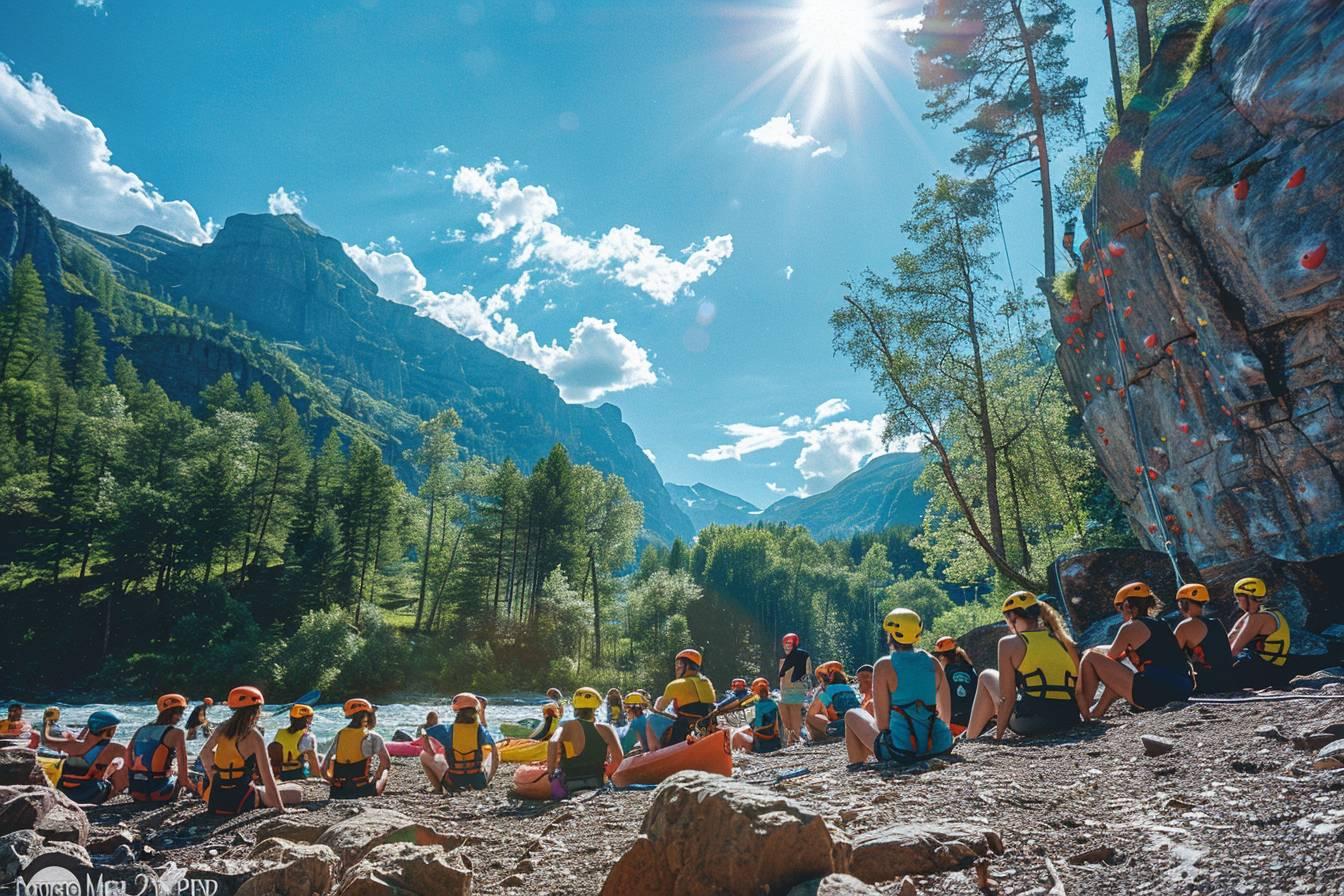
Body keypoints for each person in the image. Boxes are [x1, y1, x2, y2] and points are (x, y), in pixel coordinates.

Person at [964, 593, 1081, 740]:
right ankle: (970, 736)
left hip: (1031, 722)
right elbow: (1078, 687)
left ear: (1012, 617)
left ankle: (970, 738)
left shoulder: (1009, 643)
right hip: (1069, 718)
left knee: (986, 675)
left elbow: (1007, 697)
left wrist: (998, 735)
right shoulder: (1064, 640)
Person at [844, 608, 954, 765]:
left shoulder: (883, 665)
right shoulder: (933, 662)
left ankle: (856, 765)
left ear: (891, 636)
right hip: (939, 745)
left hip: (902, 750)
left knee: (852, 714)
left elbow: (882, 725)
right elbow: (946, 717)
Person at [1077, 582, 1194, 720]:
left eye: (1121, 608)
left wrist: (1092, 651)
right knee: (1116, 681)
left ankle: (1083, 711)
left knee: (1090, 658)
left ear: (1127, 606)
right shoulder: (1161, 624)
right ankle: (1095, 713)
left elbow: (1110, 658)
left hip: (1159, 691)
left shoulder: (1130, 627)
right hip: (1182, 689)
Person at [198, 687, 300, 815]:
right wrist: (281, 809)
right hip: (240, 800)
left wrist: (214, 779)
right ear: (257, 710)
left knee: (265, 788)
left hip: (216, 799)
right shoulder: (254, 735)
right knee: (296, 791)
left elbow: (204, 753)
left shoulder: (222, 728)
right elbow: (267, 776)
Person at [546, 687, 623, 799]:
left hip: (570, 784)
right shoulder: (607, 728)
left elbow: (553, 741)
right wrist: (606, 774)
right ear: (597, 707)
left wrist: (551, 772)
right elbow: (618, 758)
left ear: (575, 707)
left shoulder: (566, 725)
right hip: (597, 782)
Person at [420, 693, 497, 792]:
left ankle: (438, 788)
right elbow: (494, 753)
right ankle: (484, 782)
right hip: (479, 782)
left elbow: (425, 732)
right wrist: (489, 779)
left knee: (423, 755)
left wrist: (429, 747)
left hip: (454, 781)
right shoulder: (480, 730)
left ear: (457, 712)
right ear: (475, 711)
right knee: (491, 750)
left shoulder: (447, 729)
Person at [1227, 577, 1293, 690]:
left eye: (1238, 599)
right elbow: (1232, 635)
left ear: (1245, 598)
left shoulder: (1259, 618)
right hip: (1274, 670)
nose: (1238, 603)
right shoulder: (1263, 613)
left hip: (1265, 672)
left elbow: (1233, 650)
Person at [126, 694, 192, 803]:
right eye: (181, 713)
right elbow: (184, 780)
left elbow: (128, 761)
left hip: (136, 792)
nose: (181, 717)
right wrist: (195, 789)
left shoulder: (141, 730)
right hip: (159, 793)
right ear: (176, 713)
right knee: (190, 778)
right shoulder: (177, 733)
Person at [1173, 583, 1236, 694]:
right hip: (1230, 680)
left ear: (1184, 603)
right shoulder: (1216, 622)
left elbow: (1170, 653)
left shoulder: (1185, 625)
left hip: (1208, 684)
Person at [55, 710, 128, 804]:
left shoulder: (73, 744)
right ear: (110, 730)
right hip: (89, 793)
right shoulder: (116, 748)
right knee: (120, 766)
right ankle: (115, 796)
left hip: (63, 790)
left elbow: (83, 740)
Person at [324, 698, 391, 798]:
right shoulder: (373, 736)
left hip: (338, 792)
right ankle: (374, 791)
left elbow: (324, 766)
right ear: (367, 717)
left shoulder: (340, 734)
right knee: (385, 772)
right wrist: (376, 777)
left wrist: (331, 780)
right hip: (362, 791)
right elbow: (386, 762)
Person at [657, 648, 717, 745]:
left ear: (688, 666)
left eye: (679, 664)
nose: (676, 668)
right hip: (707, 728)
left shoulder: (675, 684)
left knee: (651, 719)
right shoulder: (706, 682)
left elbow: (659, 709)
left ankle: (652, 750)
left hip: (683, 731)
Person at [806, 661, 862, 740]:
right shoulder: (849, 688)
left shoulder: (828, 691)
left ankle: (829, 734)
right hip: (858, 723)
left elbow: (811, 714)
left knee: (810, 717)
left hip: (843, 727)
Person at [933, 637, 977, 734]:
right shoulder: (970, 669)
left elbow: (938, 704)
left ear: (942, 657)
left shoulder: (944, 675)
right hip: (974, 722)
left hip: (954, 724)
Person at [270, 704, 323, 782]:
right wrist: (319, 779)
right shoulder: (307, 737)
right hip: (299, 775)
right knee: (320, 758)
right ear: (308, 719)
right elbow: (313, 762)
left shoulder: (280, 734)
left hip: (282, 775)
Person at [778, 633, 813, 746]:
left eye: (789, 644)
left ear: (794, 643)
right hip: (785, 692)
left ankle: (795, 740)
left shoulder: (803, 655)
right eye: (785, 644)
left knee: (795, 715)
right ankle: (791, 740)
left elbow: (808, 673)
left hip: (798, 690)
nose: (787, 646)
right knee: (786, 719)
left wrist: (809, 689)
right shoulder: (783, 658)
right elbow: (782, 678)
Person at [731, 678, 782, 753]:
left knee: (735, 732)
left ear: (753, 690)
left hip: (760, 744)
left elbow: (756, 725)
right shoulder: (773, 703)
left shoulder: (756, 704)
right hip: (774, 742)